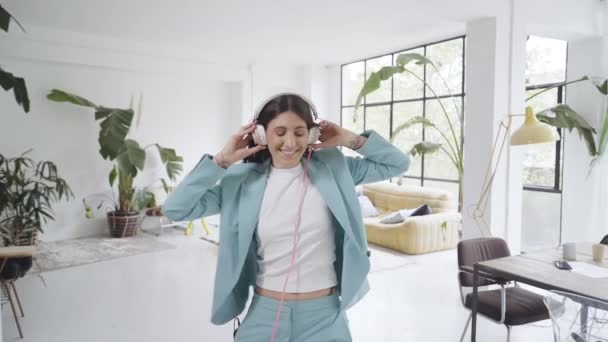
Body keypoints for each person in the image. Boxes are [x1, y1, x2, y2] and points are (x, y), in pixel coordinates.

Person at [161, 93, 409, 341]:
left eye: (299, 132)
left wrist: (350, 139)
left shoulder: (335, 168)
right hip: (265, 313)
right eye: (280, 132)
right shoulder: (240, 182)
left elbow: (397, 164)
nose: (290, 142)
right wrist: (221, 161)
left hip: (324, 316)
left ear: (311, 135)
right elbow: (176, 209)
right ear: (261, 134)